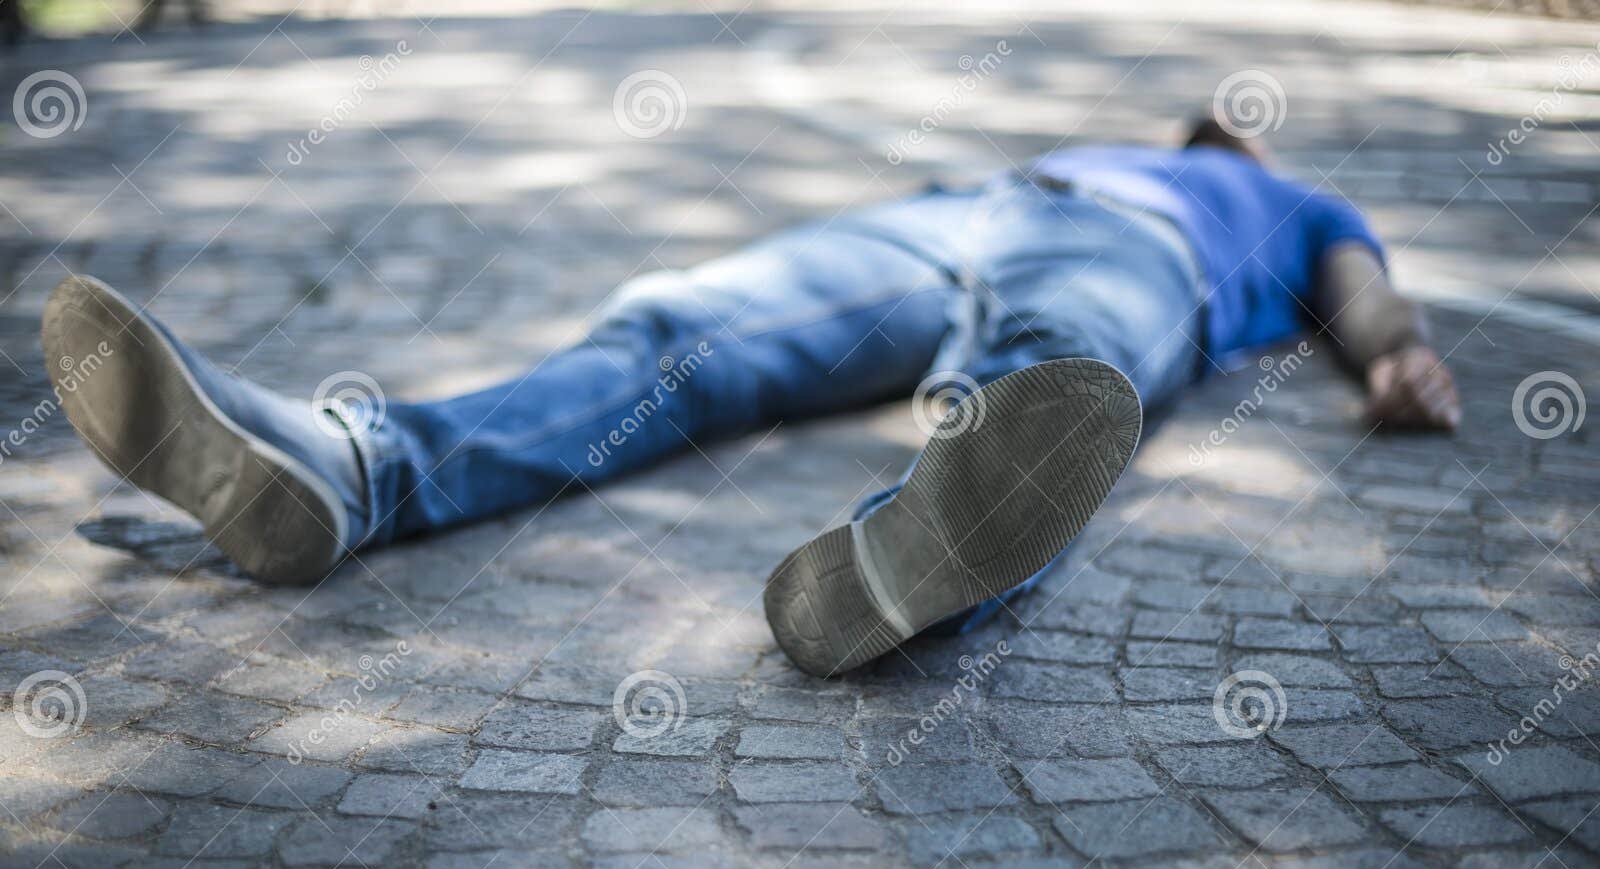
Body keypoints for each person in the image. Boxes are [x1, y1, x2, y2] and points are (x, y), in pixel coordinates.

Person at [40, 114, 1459, 678]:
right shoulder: (1107, 142)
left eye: (1238, 124)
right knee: (686, 324)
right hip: (960, 216)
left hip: (1134, 265)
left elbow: (1366, 300)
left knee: (1053, 361)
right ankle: (353, 471)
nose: (1229, 125)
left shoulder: (1293, 201)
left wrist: (1395, 355)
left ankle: (910, 561)